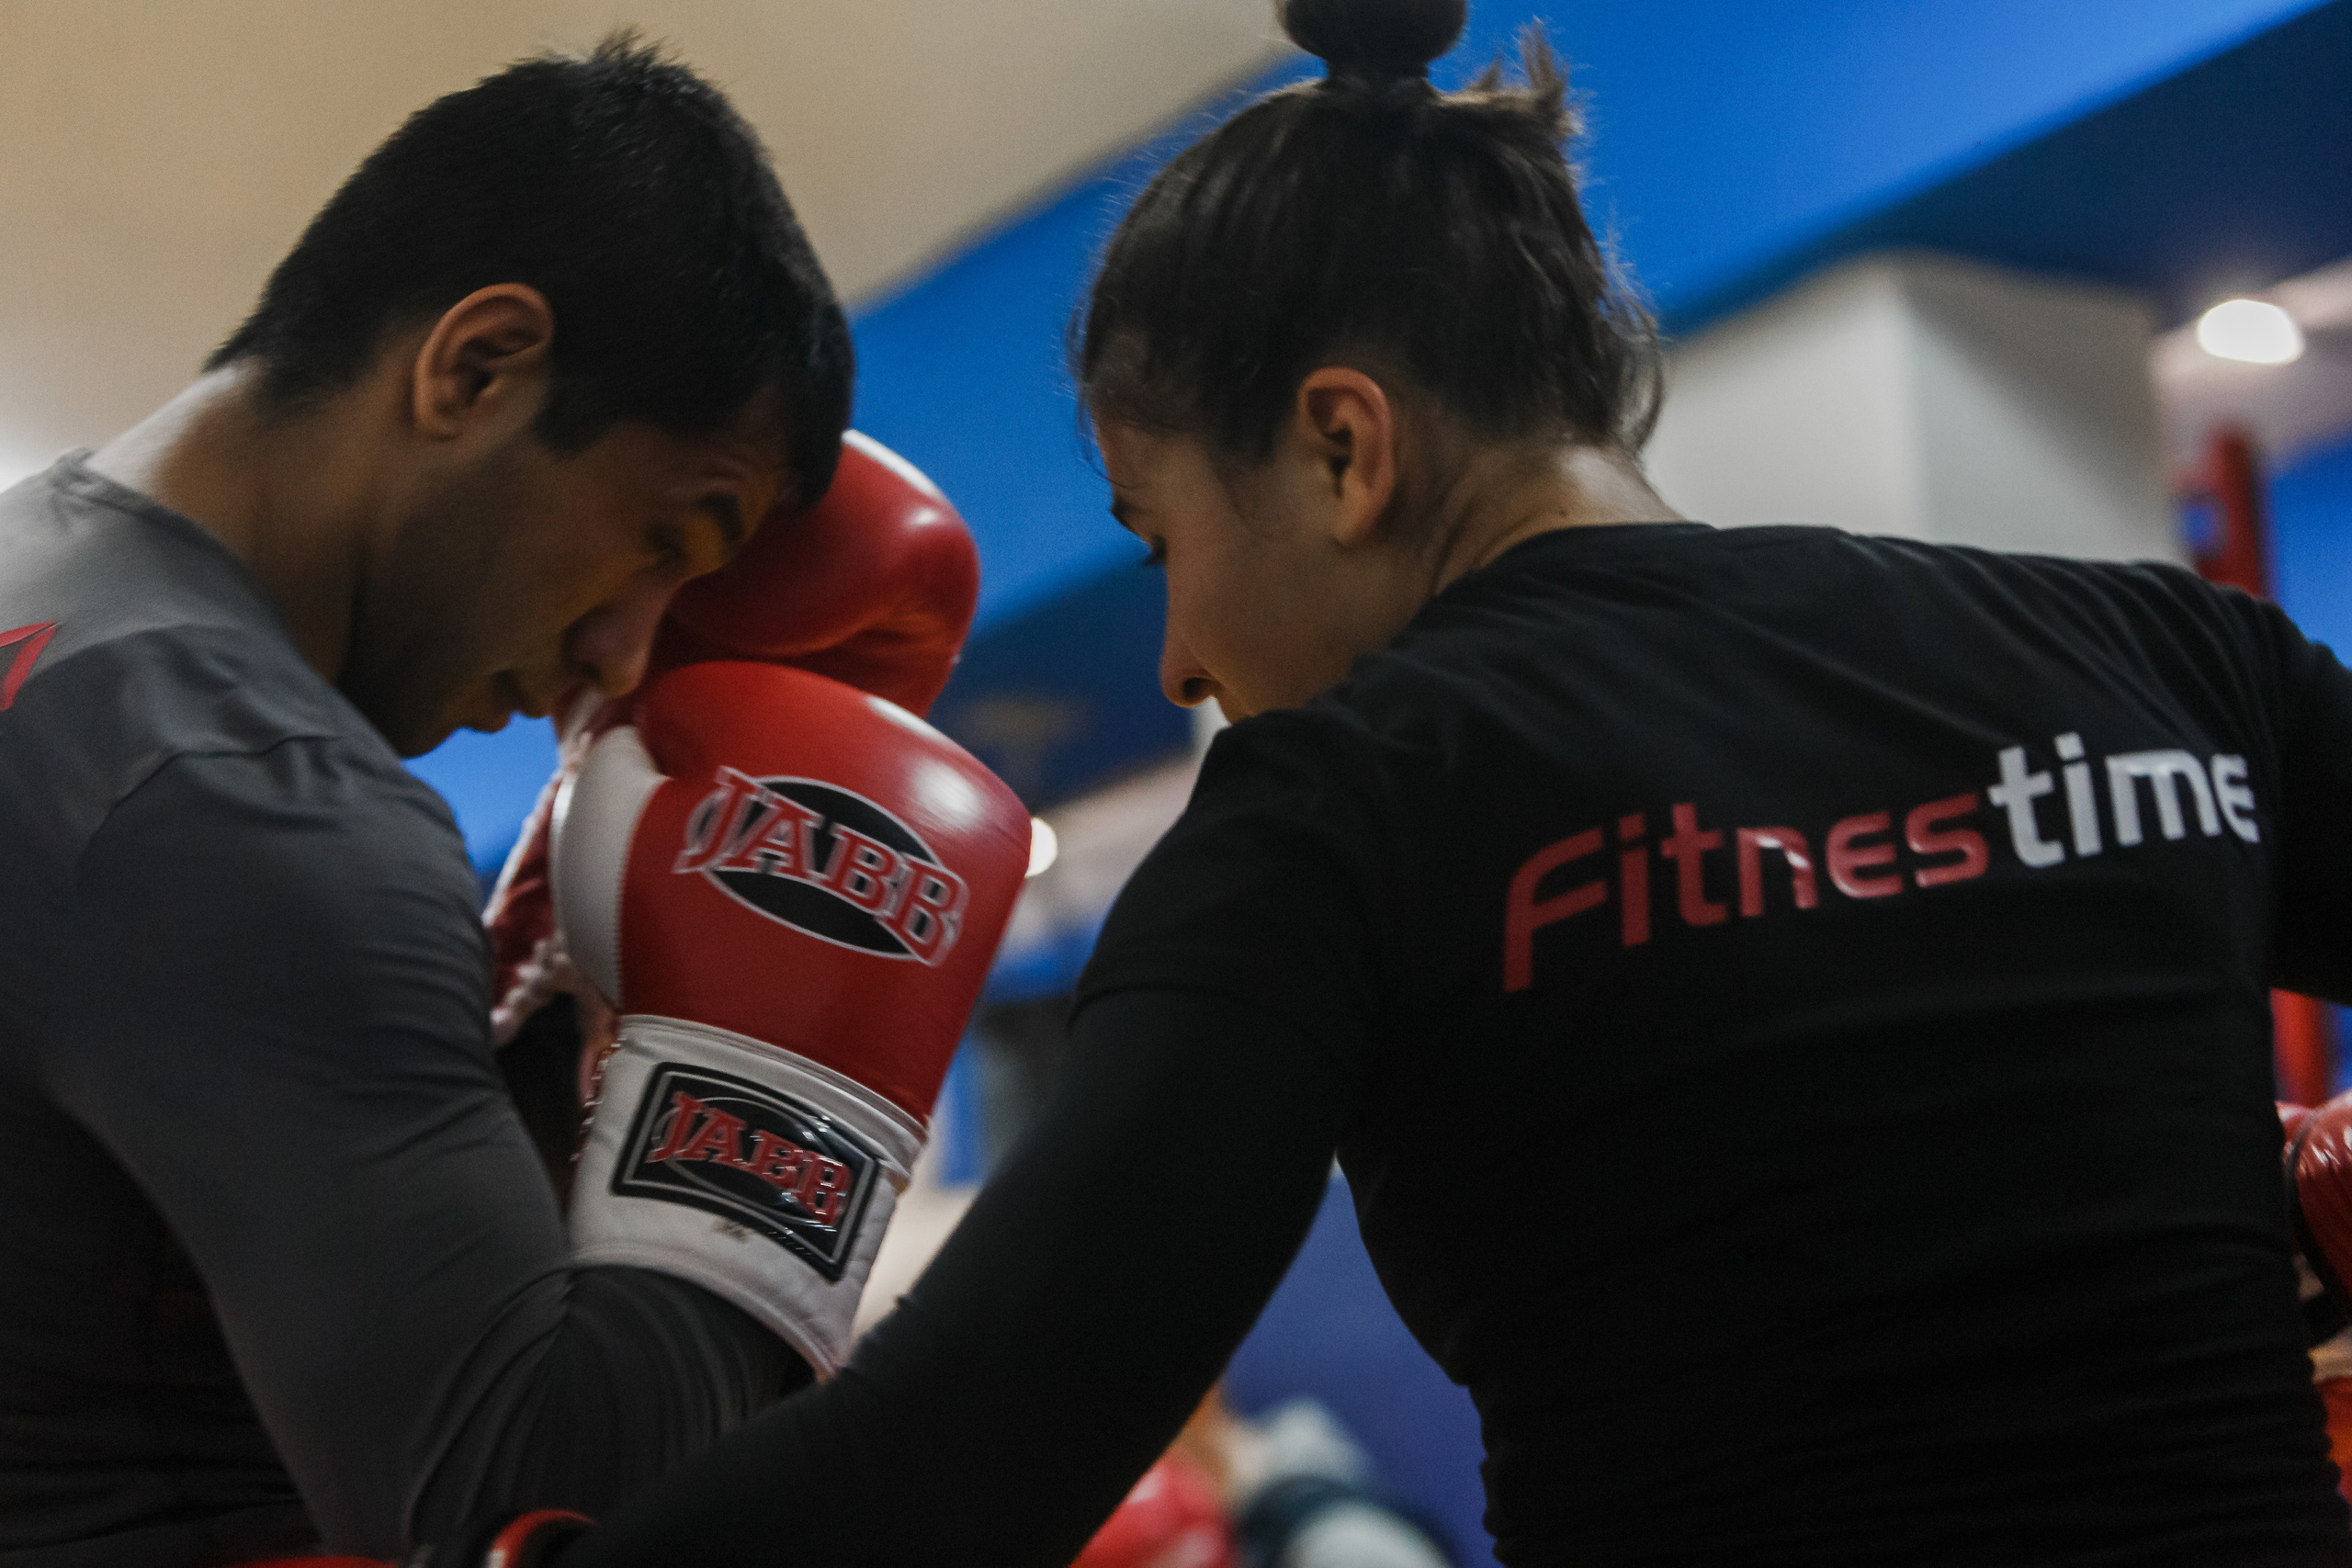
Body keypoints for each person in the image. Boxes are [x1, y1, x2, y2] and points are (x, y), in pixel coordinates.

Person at [508, 1, 2352, 1564]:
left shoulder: (1329, 818)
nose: (1177, 659)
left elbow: (965, 1451)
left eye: (1159, 541)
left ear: (1342, 447)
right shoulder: (2162, 654)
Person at [0, 35, 1031, 1566]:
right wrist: (781, 1091)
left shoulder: (45, 596)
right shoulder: (245, 791)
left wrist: (555, 1035)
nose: (624, 650)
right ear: (477, 367)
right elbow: (537, 1516)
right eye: (666, 536)